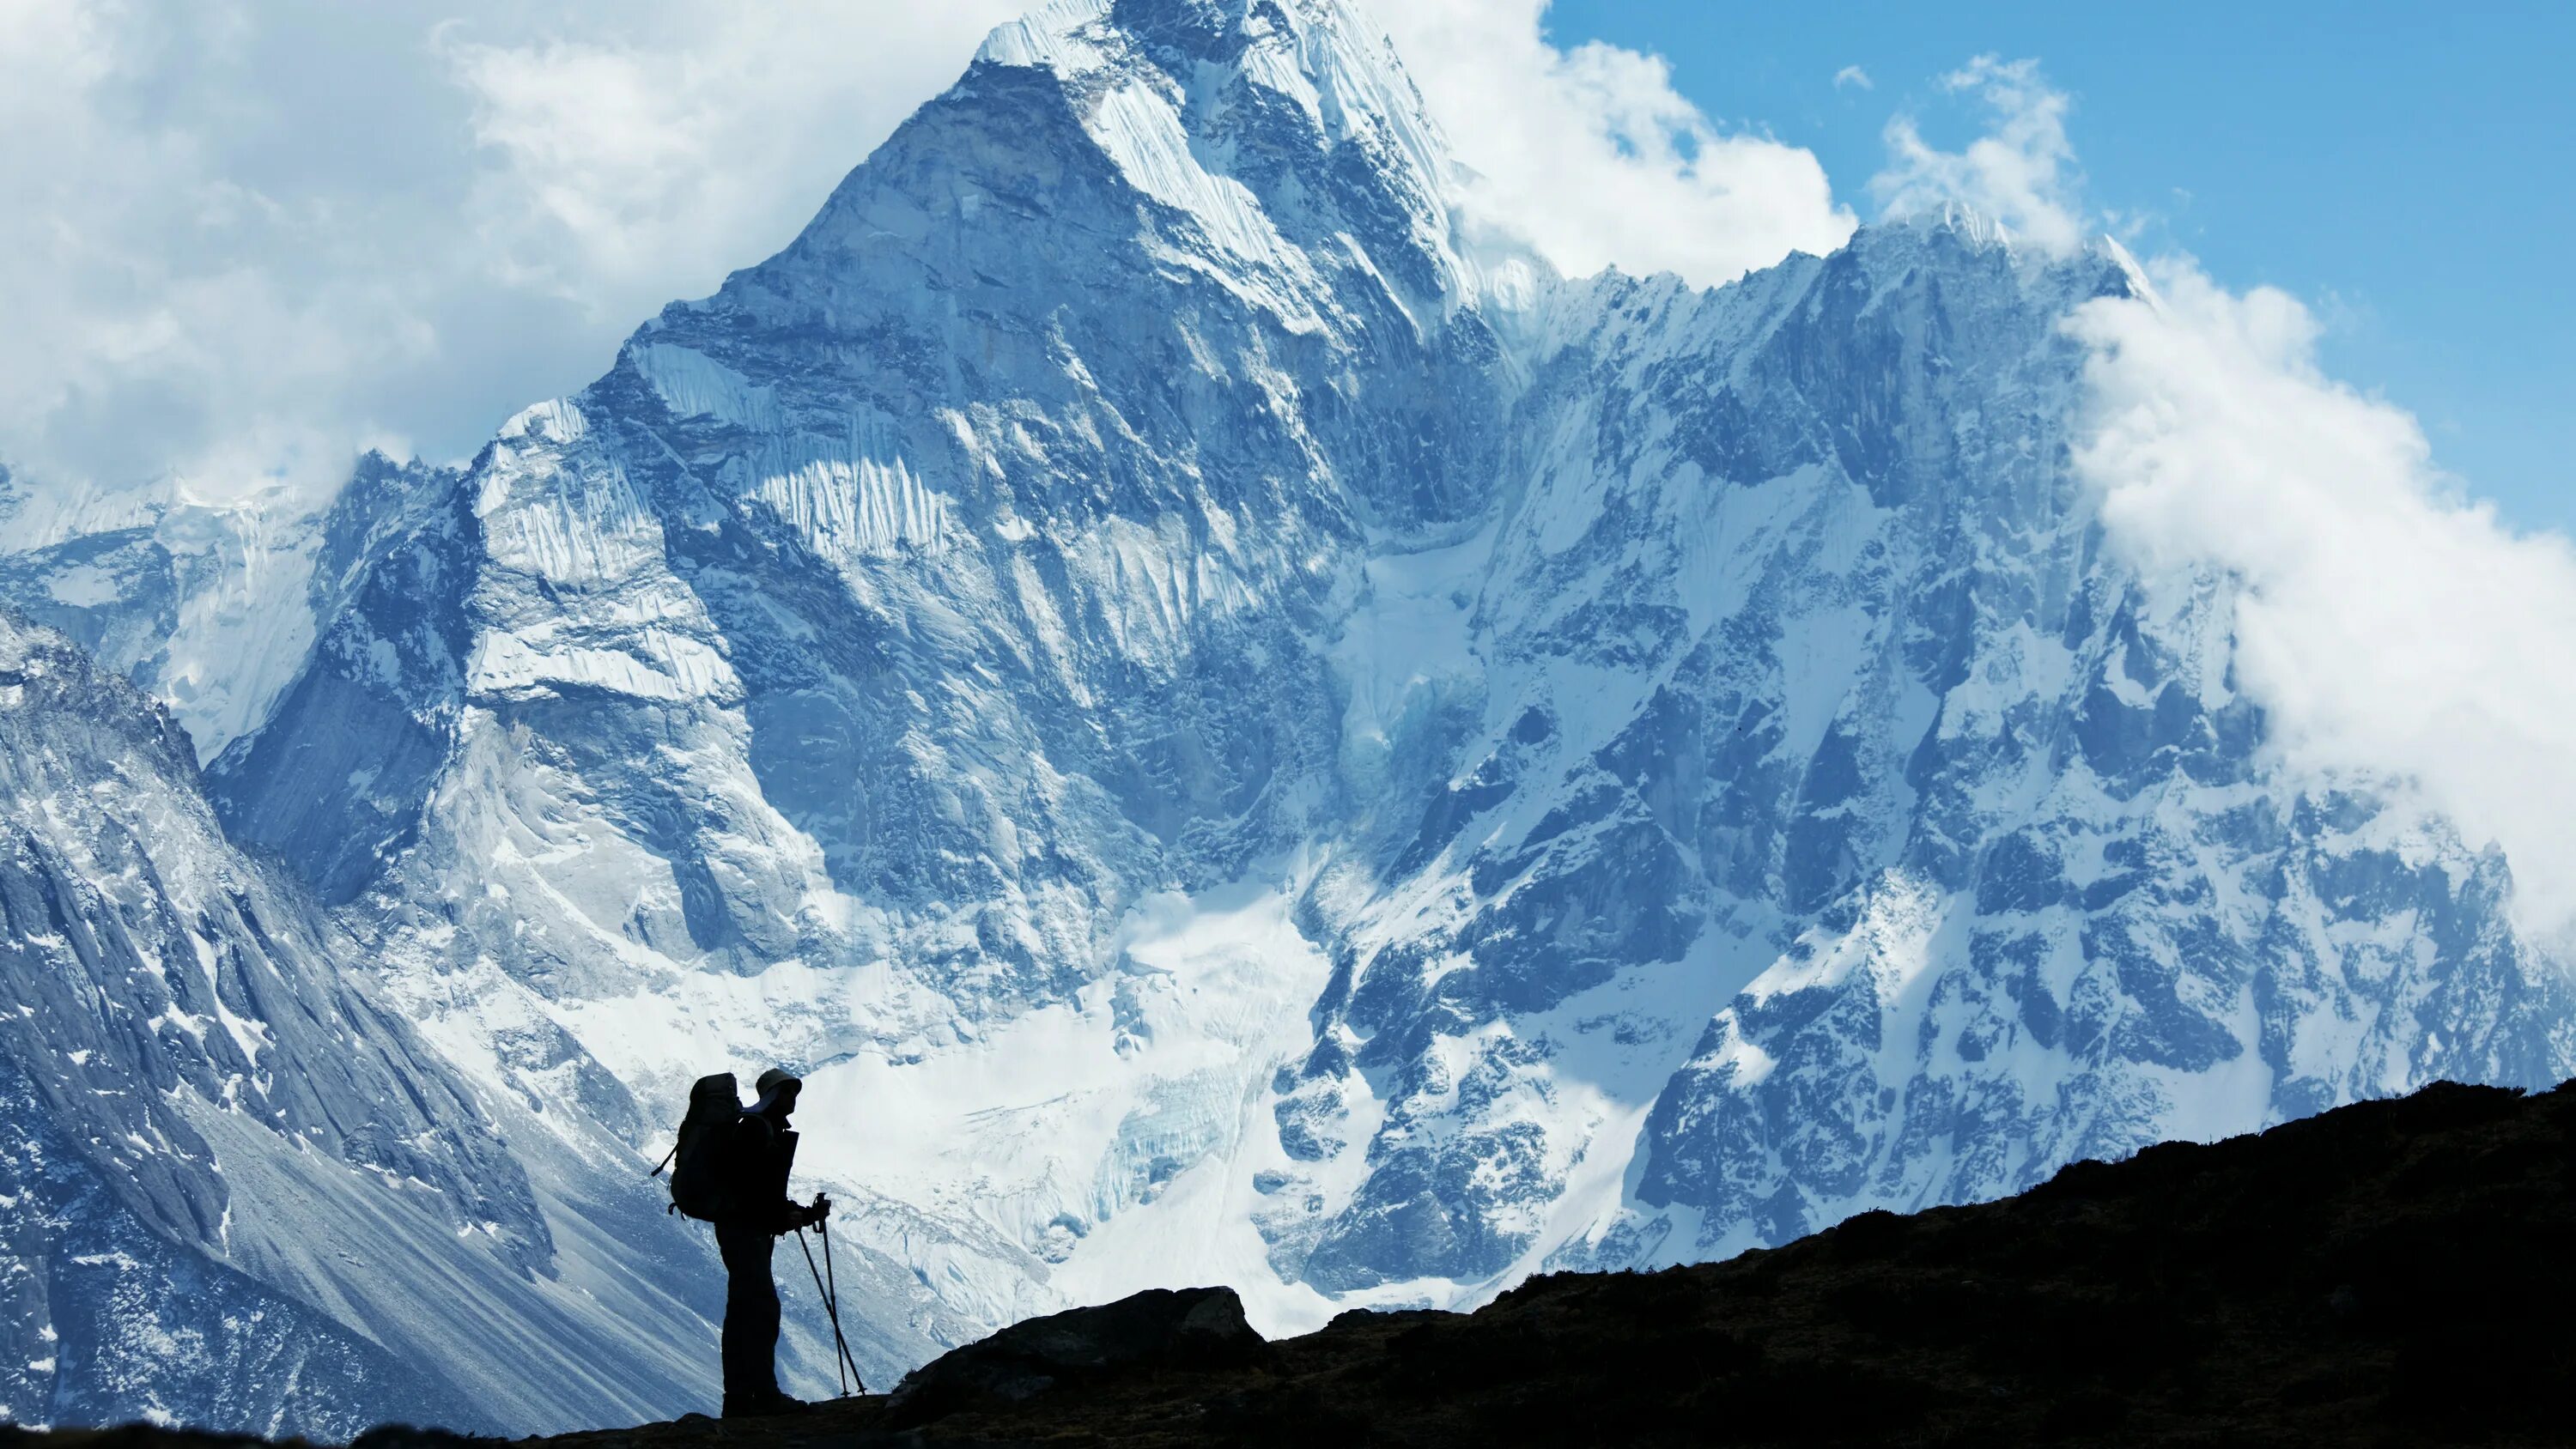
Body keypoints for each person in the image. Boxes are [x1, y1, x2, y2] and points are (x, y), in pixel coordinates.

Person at [714, 1067, 830, 1418]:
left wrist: (796, 1214)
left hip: (743, 1230)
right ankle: (761, 1395)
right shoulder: (756, 1130)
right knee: (761, 1311)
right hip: (746, 1232)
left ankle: (739, 1398)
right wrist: (786, 1216)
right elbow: (753, 1191)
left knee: (743, 1313)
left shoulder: (760, 1127)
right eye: (787, 1093)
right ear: (773, 1095)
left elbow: (760, 1193)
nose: (793, 1099)